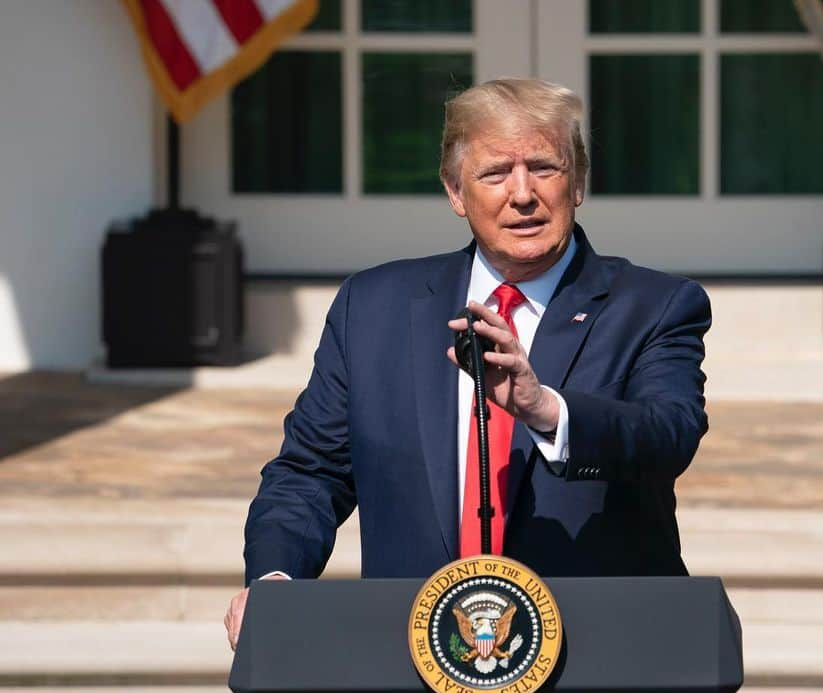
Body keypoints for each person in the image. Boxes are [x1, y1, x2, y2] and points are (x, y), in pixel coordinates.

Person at [226, 78, 712, 652]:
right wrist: (277, 579)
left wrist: (545, 409)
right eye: (495, 174)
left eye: (544, 167)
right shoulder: (374, 308)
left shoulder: (654, 306)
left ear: (578, 181)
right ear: (456, 192)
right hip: (415, 668)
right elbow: (311, 472)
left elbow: (669, 433)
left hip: (598, 664)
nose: (522, 193)